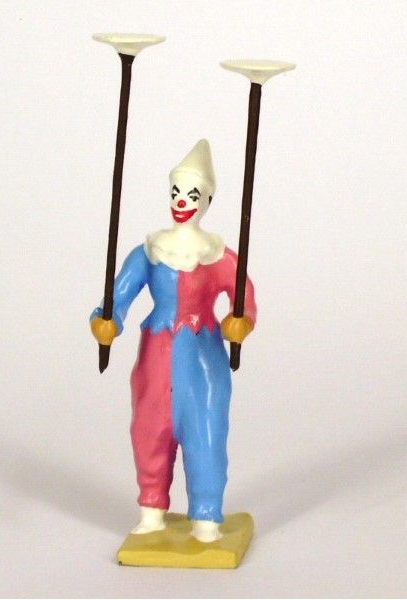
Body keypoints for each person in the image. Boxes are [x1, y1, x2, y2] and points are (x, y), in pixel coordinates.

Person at [90, 139, 256, 543]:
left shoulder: (217, 255)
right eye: (176, 192)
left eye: (192, 195)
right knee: (150, 428)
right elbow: (116, 297)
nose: (182, 201)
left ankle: (206, 515)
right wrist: (106, 320)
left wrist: (240, 321)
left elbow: (244, 297)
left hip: (202, 358)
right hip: (157, 354)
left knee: (205, 431)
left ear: (207, 201)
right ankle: (151, 508)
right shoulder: (150, 252)